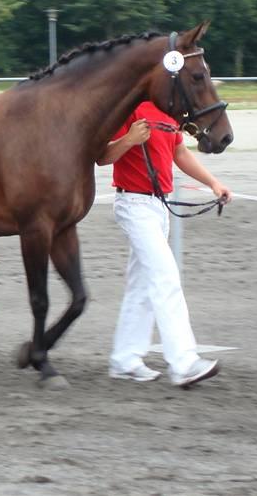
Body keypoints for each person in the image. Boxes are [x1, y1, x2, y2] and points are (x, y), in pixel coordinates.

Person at [97, 101, 232, 387]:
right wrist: (129, 139)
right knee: (165, 277)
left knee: (143, 284)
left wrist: (213, 183)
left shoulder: (168, 111)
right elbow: (102, 156)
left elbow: (179, 152)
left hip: (160, 206)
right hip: (133, 203)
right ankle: (184, 362)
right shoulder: (130, 106)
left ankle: (125, 359)